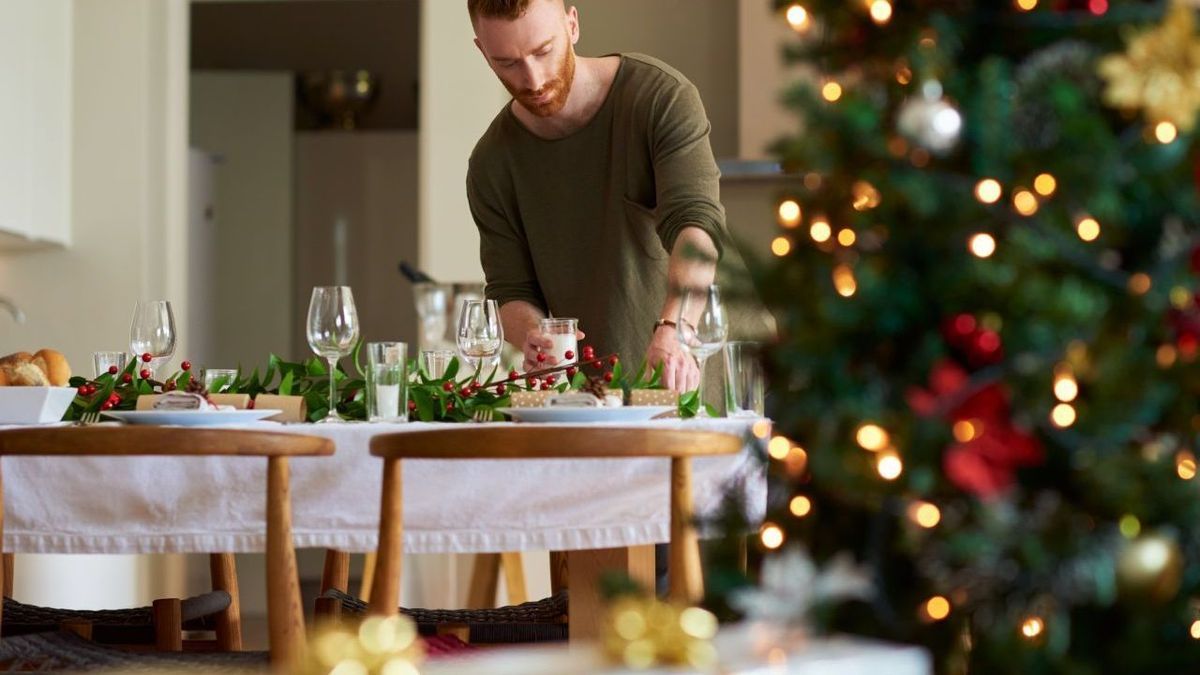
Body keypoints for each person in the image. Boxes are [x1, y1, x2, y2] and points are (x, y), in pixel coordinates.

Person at [466, 0, 769, 393]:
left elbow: (696, 227)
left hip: (722, 367)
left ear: (572, 25)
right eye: (507, 62)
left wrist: (675, 330)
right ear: (482, 52)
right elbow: (510, 290)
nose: (533, 78)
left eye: (543, 51)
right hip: (605, 396)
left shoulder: (660, 97)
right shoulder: (492, 163)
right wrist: (535, 337)